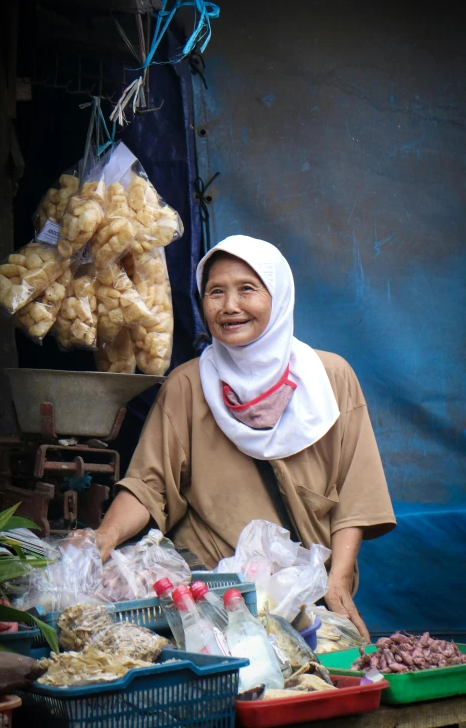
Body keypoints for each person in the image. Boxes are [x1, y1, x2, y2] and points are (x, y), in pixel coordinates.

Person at [96, 235, 395, 638]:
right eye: (215, 292)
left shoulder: (330, 379)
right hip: (213, 601)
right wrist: (101, 539)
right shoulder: (187, 386)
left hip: (302, 599)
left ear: (279, 296)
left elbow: (357, 496)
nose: (230, 306)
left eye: (247, 289)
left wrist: (337, 581)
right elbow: (149, 487)